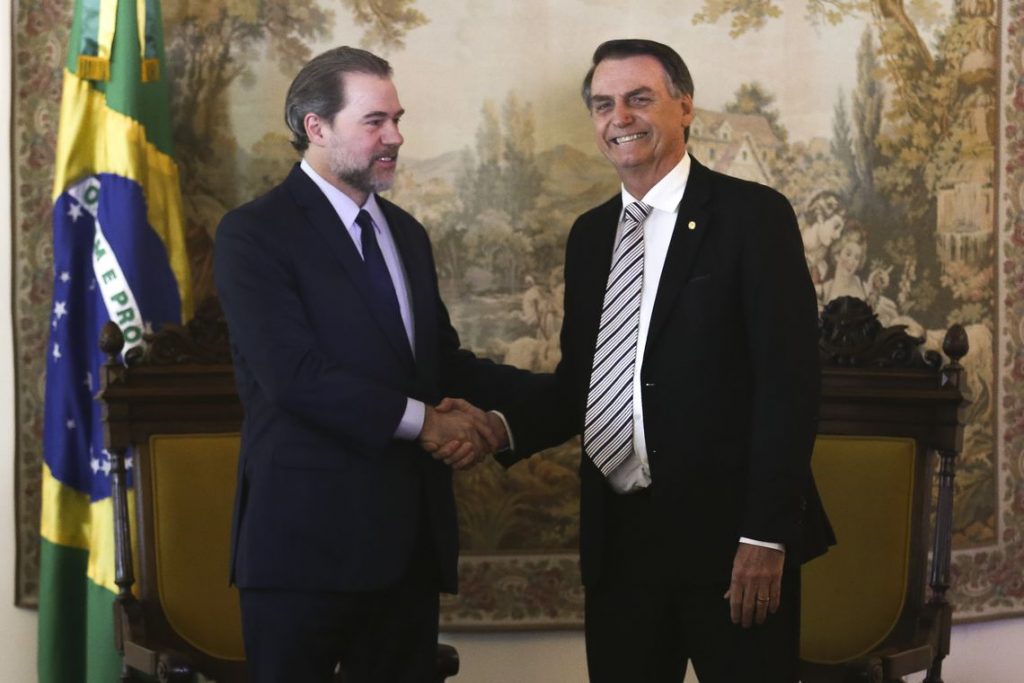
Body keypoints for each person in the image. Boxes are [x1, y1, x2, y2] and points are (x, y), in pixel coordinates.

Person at [476, 39, 835, 682]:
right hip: (621, 550)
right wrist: (494, 426)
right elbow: (582, 385)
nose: (620, 117)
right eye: (603, 104)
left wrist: (766, 536)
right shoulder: (590, 236)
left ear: (685, 107)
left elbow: (789, 388)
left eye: (639, 98)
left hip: (733, 546)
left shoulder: (753, 217)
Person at [214, 46, 533, 682]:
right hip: (301, 554)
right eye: (375, 121)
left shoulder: (406, 233)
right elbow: (294, 376)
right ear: (316, 127)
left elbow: (441, 366)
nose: (395, 137)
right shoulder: (253, 233)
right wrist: (429, 423)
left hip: (406, 554)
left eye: (397, 119)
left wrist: (567, 391)